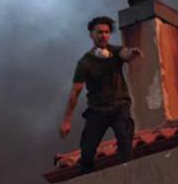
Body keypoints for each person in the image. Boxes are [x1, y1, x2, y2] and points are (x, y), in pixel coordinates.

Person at [59, 16, 142, 174]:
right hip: (97, 110)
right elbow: (76, 91)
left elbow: (125, 54)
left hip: (119, 106)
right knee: (87, 151)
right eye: (99, 32)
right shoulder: (85, 63)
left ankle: (129, 175)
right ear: (91, 34)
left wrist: (132, 53)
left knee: (125, 140)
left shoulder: (116, 51)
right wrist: (66, 120)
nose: (103, 35)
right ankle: (88, 183)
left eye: (106, 32)